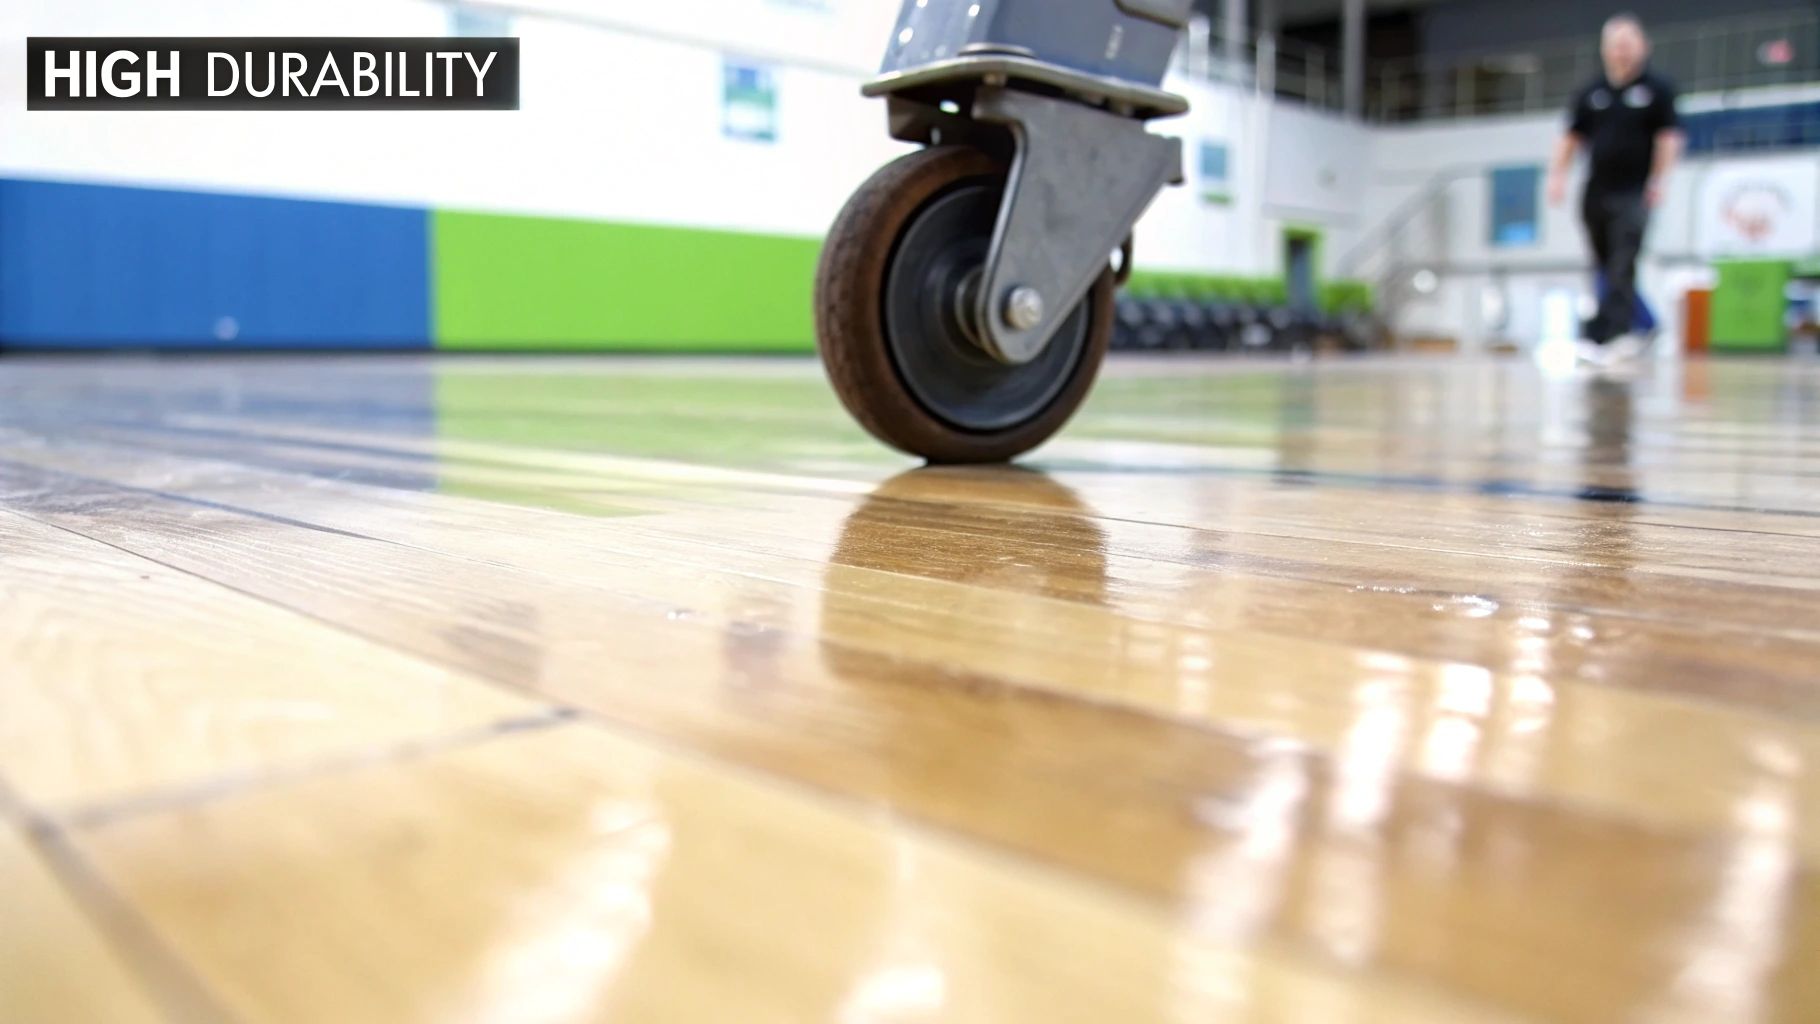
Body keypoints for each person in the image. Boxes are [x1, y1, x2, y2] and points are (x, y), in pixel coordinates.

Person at [1546, 13, 1683, 367]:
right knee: (1602, 264)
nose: (1621, 51)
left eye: (1628, 43)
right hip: (1596, 190)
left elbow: (1669, 138)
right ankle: (1623, 328)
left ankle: (1617, 333)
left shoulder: (1657, 89)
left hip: (1633, 190)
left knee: (1624, 261)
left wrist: (1659, 180)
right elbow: (1570, 137)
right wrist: (1557, 176)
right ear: (1606, 50)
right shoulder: (1592, 93)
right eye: (1615, 44)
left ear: (1643, 47)